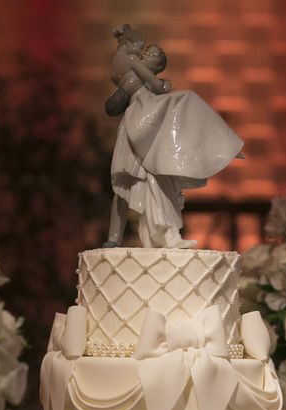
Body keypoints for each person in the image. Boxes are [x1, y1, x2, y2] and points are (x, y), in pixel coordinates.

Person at [104, 25, 243, 248]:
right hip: (134, 127)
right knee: (124, 184)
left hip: (147, 129)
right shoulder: (134, 71)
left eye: (153, 55)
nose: (146, 54)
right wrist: (163, 85)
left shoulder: (144, 84)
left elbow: (160, 100)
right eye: (147, 52)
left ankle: (165, 234)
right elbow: (155, 89)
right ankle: (114, 237)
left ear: (158, 66)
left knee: (154, 180)